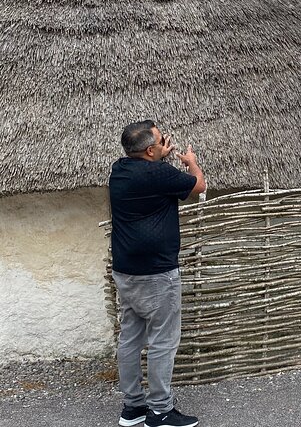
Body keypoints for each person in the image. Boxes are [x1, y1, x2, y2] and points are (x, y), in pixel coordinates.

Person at [109, 120, 205, 427]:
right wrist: (190, 163)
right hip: (156, 273)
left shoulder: (119, 170)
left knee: (131, 338)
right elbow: (198, 186)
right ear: (151, 149)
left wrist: (158, 158)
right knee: (164, 340)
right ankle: (161, 411)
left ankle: (133, 407)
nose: (167, 143)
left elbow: (151, 177)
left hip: (126, 271)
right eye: (162, 141)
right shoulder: (159, 173)